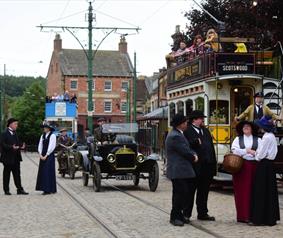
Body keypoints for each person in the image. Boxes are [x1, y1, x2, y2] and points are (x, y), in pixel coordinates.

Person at [165, 113, 198, 226]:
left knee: (182, 193)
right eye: (185, 122)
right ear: (180, 124)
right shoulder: (175, 136)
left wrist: (193, 154)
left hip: (182, 170)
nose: (186, 124)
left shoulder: (179, 134)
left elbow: (187, 147)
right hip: (178, 170)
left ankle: (179, 215)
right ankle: (175, 217)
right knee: (180, 194)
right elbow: (185, 151)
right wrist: (193, 156)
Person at [184, 110, 216, 221]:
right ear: (194, 120)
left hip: (207, 166)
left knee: (204, 192)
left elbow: (211, 148)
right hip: (194, 166)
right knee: (190, 191)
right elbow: (185, 146)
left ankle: (202, 213)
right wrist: (194, 142)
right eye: (201, 118)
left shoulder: (205, 131)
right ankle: (186, 214)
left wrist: (213, 165)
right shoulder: (187, 131)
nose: (203, 120)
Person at [250, 116, 280, 226]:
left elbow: (260, 154)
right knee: (270, 191)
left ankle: (260, 218)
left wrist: (254, 154)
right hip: (270, 166)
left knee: (261, 191)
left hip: (264, 165)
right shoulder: (272, 136)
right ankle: (270, 217)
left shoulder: (266, 137)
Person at [231, 121, 261, 223]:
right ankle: (243, 216)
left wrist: (254, 152)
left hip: (255, 166)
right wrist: (246, 151)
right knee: (242, 192)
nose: (246, 128)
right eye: (244, 127)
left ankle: (254, 215)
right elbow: (234, 150)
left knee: (255, 191)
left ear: (252, 129)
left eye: (248, 126)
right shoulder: (237, 139)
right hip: (241, 167)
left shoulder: (259, 139)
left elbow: (262, 152)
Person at [0, 118, 28, 195]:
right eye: (15, 124)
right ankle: (6, 190)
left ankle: (19, 189)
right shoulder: (4, 133)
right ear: (10, 124)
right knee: (6, 174)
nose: (17, 125)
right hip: (7, 158)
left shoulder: (15, 133)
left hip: (16, 157)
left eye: (17, 124)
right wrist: (11, 147)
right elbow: (2, 144)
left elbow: (17, 143)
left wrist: (21, 146)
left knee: (17, 174)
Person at [36, 122, 57, 195]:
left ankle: (49, 189)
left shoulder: (52, 136)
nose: (44, 129)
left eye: (45, 127)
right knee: (43, 171)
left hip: (49, 156)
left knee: (48, 171)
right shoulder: (43, 135)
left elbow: (52, 146)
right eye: (44, 127)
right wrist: (40, 154)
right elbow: (40, 145)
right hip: (43, 155)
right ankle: (44, 188)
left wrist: (46, 155)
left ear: (49, 128)